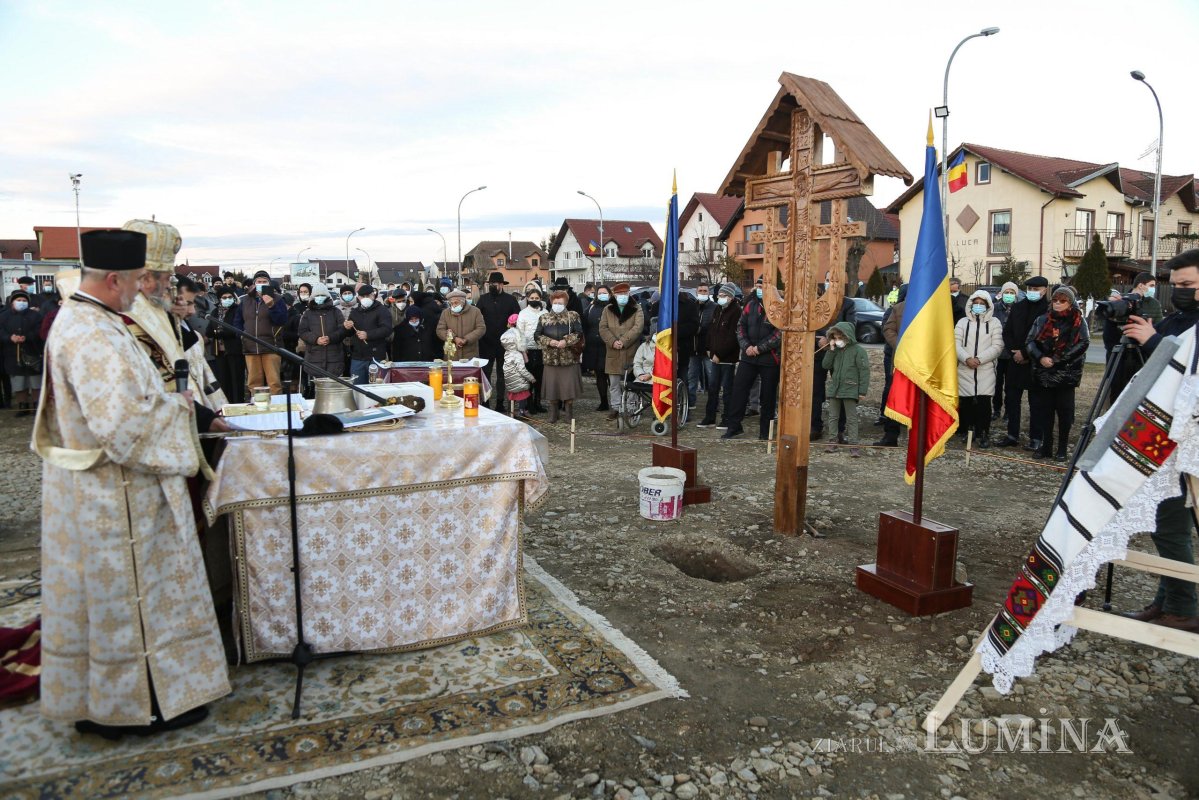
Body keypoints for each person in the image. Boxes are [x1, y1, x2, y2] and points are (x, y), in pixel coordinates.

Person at [33, 228, 230, 739]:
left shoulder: (96, 320)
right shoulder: (91, 333)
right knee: (127, 602)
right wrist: (180, 411)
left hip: (116, 488)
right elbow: (122, 425)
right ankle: (134, 708)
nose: (144, 288)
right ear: (114, 278)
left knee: (122, 600)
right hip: (113, 494)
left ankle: (132, 700)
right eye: (139, 279)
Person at [1118, 249, 1199, 633]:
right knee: (1166, 525)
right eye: (1176, 285)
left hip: (1186, 447)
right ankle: (1167, 600)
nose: (1180, 292)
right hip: (1162, 440)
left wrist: (1153, 341)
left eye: (1188, 285)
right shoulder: (1179, 320)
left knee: (1171, 527)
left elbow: (1186, 380)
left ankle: (1183, 608)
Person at [1025, 286, 1089, 461]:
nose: (1058, 304)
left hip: (1066, 373)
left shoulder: (1078, 320)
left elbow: (1083, 343)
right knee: (1045, 412)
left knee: (1065, 413)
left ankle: (1062, 448)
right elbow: (1030, 342)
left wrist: (1059, 360)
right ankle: (1046, 446)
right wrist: (1040, 358)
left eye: (1063, 301)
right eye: (1055, 300)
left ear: (1070, 302)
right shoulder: (1042, 319)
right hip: (1044, 372)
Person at [722, 281, 781, 440]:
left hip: (769, 358)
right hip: (748, 357)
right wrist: (746, 346)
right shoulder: (751, 304)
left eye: (763, 286)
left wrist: (760, 348)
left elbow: (779, 332)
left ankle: (765, 432)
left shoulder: (778, 307)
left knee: (768, 396)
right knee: (739, 391)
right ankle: (734, 426)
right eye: (758, 286)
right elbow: (740, 326)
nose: (759, 289)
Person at [996, 276, 1050, 449]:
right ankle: (1012, 434)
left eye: (1037, 289)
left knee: (1037, 403)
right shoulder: (1018, 307)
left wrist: (1026, 353)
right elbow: (1007, 332)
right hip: (1015, 360)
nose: (1033, 292)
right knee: (1012, 399)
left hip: (1035, 362)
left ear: (1045, 290)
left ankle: (1036, 437)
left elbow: (1045, 336)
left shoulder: (1048, 310)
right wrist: (1014, 352)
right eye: (1030, 289)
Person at [955, 289, 1004, 448]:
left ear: (988, 305)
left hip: (985, 369)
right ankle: (969, 432)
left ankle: (984, 433)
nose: (978, 306)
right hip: (965, 368)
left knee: (984, 403)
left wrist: (979, 359)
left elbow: (997, 346)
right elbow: (955, 343)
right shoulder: (963, 322)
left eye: (981, 304)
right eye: (975, 303)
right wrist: (966, 358)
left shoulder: (994, 323)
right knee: (967, 403)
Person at [233, 270, 288, 395]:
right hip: (250, 347)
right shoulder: (245, 300)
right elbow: (238, 321)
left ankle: (276, 410)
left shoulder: (278, 299)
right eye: (259, 282)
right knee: (253, 383)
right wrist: (241, 335)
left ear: (269, 284)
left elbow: (282, 320)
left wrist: (271, 306)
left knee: (274, 383)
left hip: (271, 346)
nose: (261, 284)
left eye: (265, 282)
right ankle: (257, 410)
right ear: (254, 283)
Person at [811, 290, 856, 441]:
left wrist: (829, 339)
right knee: (815, 391)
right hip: (817, 354)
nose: (831, 283)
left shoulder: (848, 304)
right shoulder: (817, 302)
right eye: (828, 279)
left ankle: (839, 430)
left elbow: (849, 328)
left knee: (840, 391)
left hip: (839, 354)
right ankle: (815, 426)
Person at [820, 321, 870, 456]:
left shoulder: (858, 351)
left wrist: (862, 391)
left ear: (847, 336)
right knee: (833, 416)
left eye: (839, 338)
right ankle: (832, 441)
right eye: (835, 338)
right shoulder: (835, 350)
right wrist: (830, 350)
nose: (837, 341)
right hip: (835, 388)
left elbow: (864, 371)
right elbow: (825, 365)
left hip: (850, 389)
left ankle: (854, 444)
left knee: (852, 418)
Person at [534, 289, 583, 423]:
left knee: (568, 387)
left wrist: (566, 341)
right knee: (552, 388)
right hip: (550, 359)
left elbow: (579, 333)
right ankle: (553, 413)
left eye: (560, 302)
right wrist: (549, 341)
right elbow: (537, 335)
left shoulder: (573, 316)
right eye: (555, 302)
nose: (557, 304)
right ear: (551, 302)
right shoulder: (543, 317)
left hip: (569, 358)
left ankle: (568, 413)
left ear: (565, 303)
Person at [598, 282, 644, 422]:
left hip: (630, 350)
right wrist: (613, 341)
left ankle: (631, 408)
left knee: (630, 383)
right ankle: (616, 408)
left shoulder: (637, 308)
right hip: (612, 351)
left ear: (629, 293)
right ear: (614, 295)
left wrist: (624, 341)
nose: (622, 296)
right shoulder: (607, 309)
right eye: (619, 294)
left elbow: (638, 327)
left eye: (625, 293)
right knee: (614, 383)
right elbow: (603, 328)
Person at [697, 283, 741, 429]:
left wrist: (719, 354)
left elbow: (732, 338)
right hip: (714, 356)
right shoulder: (718, 309)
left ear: (730, 297)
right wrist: (709, 348)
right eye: (719, 296)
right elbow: (711, 331)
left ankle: (727, 418)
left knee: (727, 390)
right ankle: (710, 417)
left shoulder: (736, 312)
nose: (720, 298)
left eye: (723, 296)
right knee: (713, 388)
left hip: (727, 359)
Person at [476, 271, 521, 410]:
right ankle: (485, 402)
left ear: (501, 284)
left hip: (504, 345)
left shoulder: (511, 300)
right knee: (486, 374)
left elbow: (516, 320)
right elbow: (477, 319)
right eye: (490, 284)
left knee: (502, 375)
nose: (492, 286)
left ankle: (500, 402)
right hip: (486, 343)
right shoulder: (482, 299)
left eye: (494, 284)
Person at [874, 284, 907, 447]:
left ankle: (920, 438)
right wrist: (901, 345)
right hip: (900, 360)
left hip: (923, 363)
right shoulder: (899, 308)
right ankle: (891, 435)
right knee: (895, 396)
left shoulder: (930, 308)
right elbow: (888, 328)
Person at [2, 290, 43, 416]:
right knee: (19, 382)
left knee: (35, 381)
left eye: (24, 301)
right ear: (12, 302)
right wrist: (9, 337)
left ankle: (37, 405)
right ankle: (22, 406)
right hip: (12, 354)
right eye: (18, 300)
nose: (21, 302)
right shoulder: (4, 315)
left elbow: (40, 330)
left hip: (33, 352)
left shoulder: (35, 315)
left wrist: (28, 337)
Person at [297, 282, 347, 381]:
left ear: (327, 296)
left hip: (334, 357)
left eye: (322, 295)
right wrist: (316, 339)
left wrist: (330, 338)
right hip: (313, 357)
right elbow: (302, 331)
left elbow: (342, 330)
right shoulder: (308, 313)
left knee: (333, 388)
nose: (320, 297)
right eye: (317, 295)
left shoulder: (336, 312)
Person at [346, 284, 392, 384]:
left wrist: (368, 334)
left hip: (376, 357)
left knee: (376, 387)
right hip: (358, 357)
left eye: (368, 295)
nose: (366, 298)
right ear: (358, 297)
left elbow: (387, 329)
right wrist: (346, 327)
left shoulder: (382, 310)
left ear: (373, 295)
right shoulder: (354, 312)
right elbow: (349, 332)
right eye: (363, 296)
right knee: (357, 388)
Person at [207, 286, 245, 402]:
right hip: (219, 351)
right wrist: (219, 332)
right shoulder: (215, 312)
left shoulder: (237, 310)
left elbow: (235, 330)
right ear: (219, 299)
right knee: (223, 380)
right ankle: (226, 405)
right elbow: (209, 331)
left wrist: (219, 332)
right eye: (224, 297)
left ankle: (238, 403)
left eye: (230, 297)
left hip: (234, 350)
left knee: (236, 380)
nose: (227, 299)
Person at [991, 282, 1020, 423]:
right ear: (1002, 293)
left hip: (1012, 354)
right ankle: (996, 409)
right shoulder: (994, 308)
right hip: (997, 353)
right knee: (996, 384)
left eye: (1012, 292)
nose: (1009, 295)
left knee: (1010, 385)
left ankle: (1008, 411)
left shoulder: (1019, 309)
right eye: (1006, 292)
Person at [516, 286, 548, 413]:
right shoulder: (523, 313)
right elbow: (519, 333)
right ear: (528, 299)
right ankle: (529, 404)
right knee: (529, 377)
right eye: (532, 298)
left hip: (541, 349)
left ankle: (538, 402)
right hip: (528, 350)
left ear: (540, 299)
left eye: (537, 298)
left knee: (540, 378)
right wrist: (522, 349)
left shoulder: (545, 313)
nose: (534, 300)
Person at [582, 284, 612, 411]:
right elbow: (585, 322)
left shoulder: (613, 307)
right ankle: (603, 401)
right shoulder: (591, 307)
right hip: (594, 346)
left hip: (610, 346)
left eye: (604, 293)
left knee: (612, 376)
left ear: (609, 294)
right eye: (599, 293)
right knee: (599, 375)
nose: (601, 295)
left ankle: (617, 402)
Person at [436, 288, 486, 360]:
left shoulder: (475, 311)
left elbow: (481, 328)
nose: (453, 306)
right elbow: (440, 330)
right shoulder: (445, 313)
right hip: (452, 355)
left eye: (456, 303)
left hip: (470, 355)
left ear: (463, 301)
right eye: (451, 303)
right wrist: (454, 338)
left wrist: (466, 339)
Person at [501, 315, 534, 418]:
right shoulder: (518, 354)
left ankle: (511, 411)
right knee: (522, 395)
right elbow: (521, 369)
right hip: (519, 382)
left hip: (510, 380)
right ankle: (522, 411)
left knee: (511, 395)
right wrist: (531, 378)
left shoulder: (507, 353)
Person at [690, 281, 715, 403]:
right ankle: (690, 403)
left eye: (705, 291)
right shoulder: (692, 306)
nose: (702, 293)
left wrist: (701, 329)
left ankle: (713, 404)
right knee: (691, 378)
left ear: (709, 292)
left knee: (712, 378)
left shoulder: (714, 307)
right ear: (696, 292)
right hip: (693, 349)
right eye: (700, 291)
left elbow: (714, 327)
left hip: (708, 348)